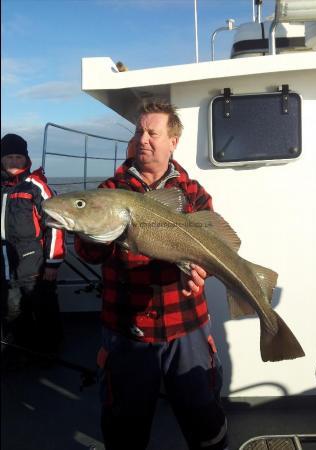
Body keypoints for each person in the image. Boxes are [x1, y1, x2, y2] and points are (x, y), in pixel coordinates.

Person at [75, 101, 228, 450]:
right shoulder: (110, 190)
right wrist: (87, 231)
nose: (143, 139)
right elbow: (89, 254)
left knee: (203, 417)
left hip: (186, 327)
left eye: (152, 133)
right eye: (138, 131)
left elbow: (212, 248)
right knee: (125, 425)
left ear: (172, 141)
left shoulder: (192, 192)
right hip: (128, 331)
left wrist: (201, 272)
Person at [1, 133, 66, 365]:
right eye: (9, 156)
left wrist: (52, 263)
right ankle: (21, 352)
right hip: (7, 269)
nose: (14, 161)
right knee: (14, 312)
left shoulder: (36, 186)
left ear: (26, 158)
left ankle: (49, 352)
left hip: (35, 266)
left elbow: (56, 225)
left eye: (19, 156)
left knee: (44, 310)